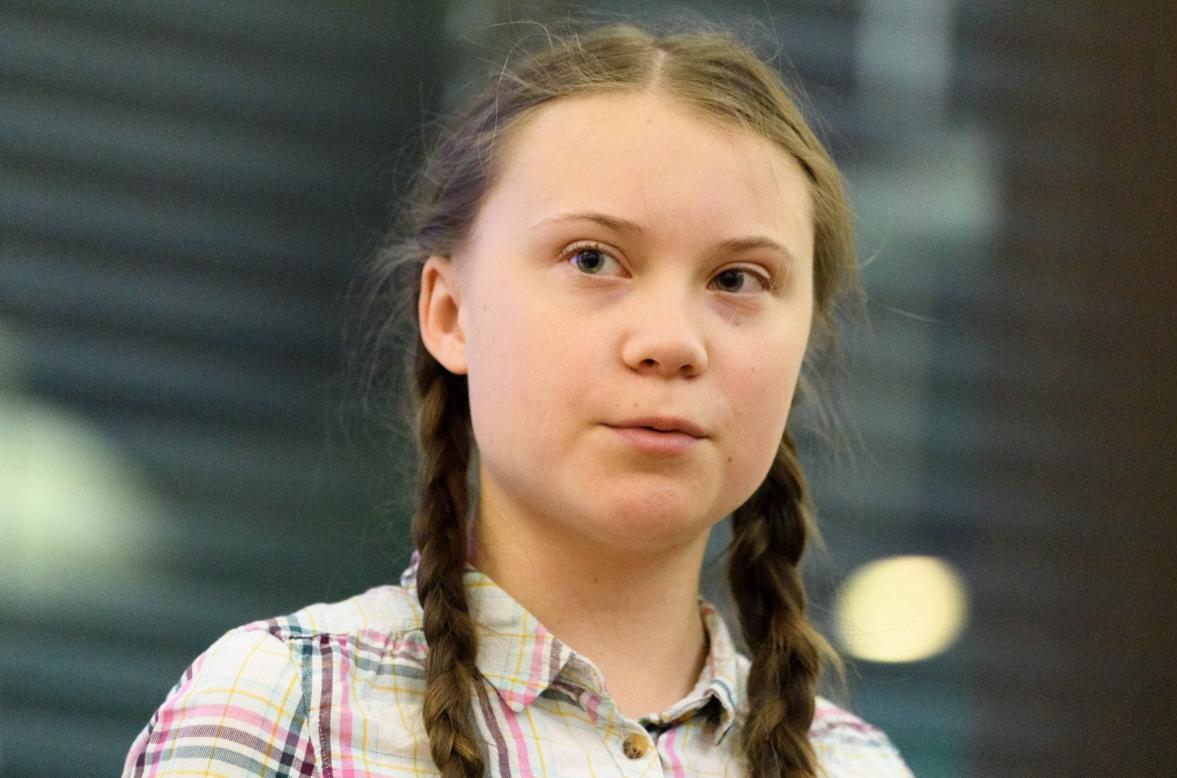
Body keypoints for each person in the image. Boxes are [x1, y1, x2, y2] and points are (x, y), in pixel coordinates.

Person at [122, 20, 913, 778]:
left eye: (738, 280)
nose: (671, 340)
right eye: (593, 259)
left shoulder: (858, 768)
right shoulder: (282, 711)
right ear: (449, 312)